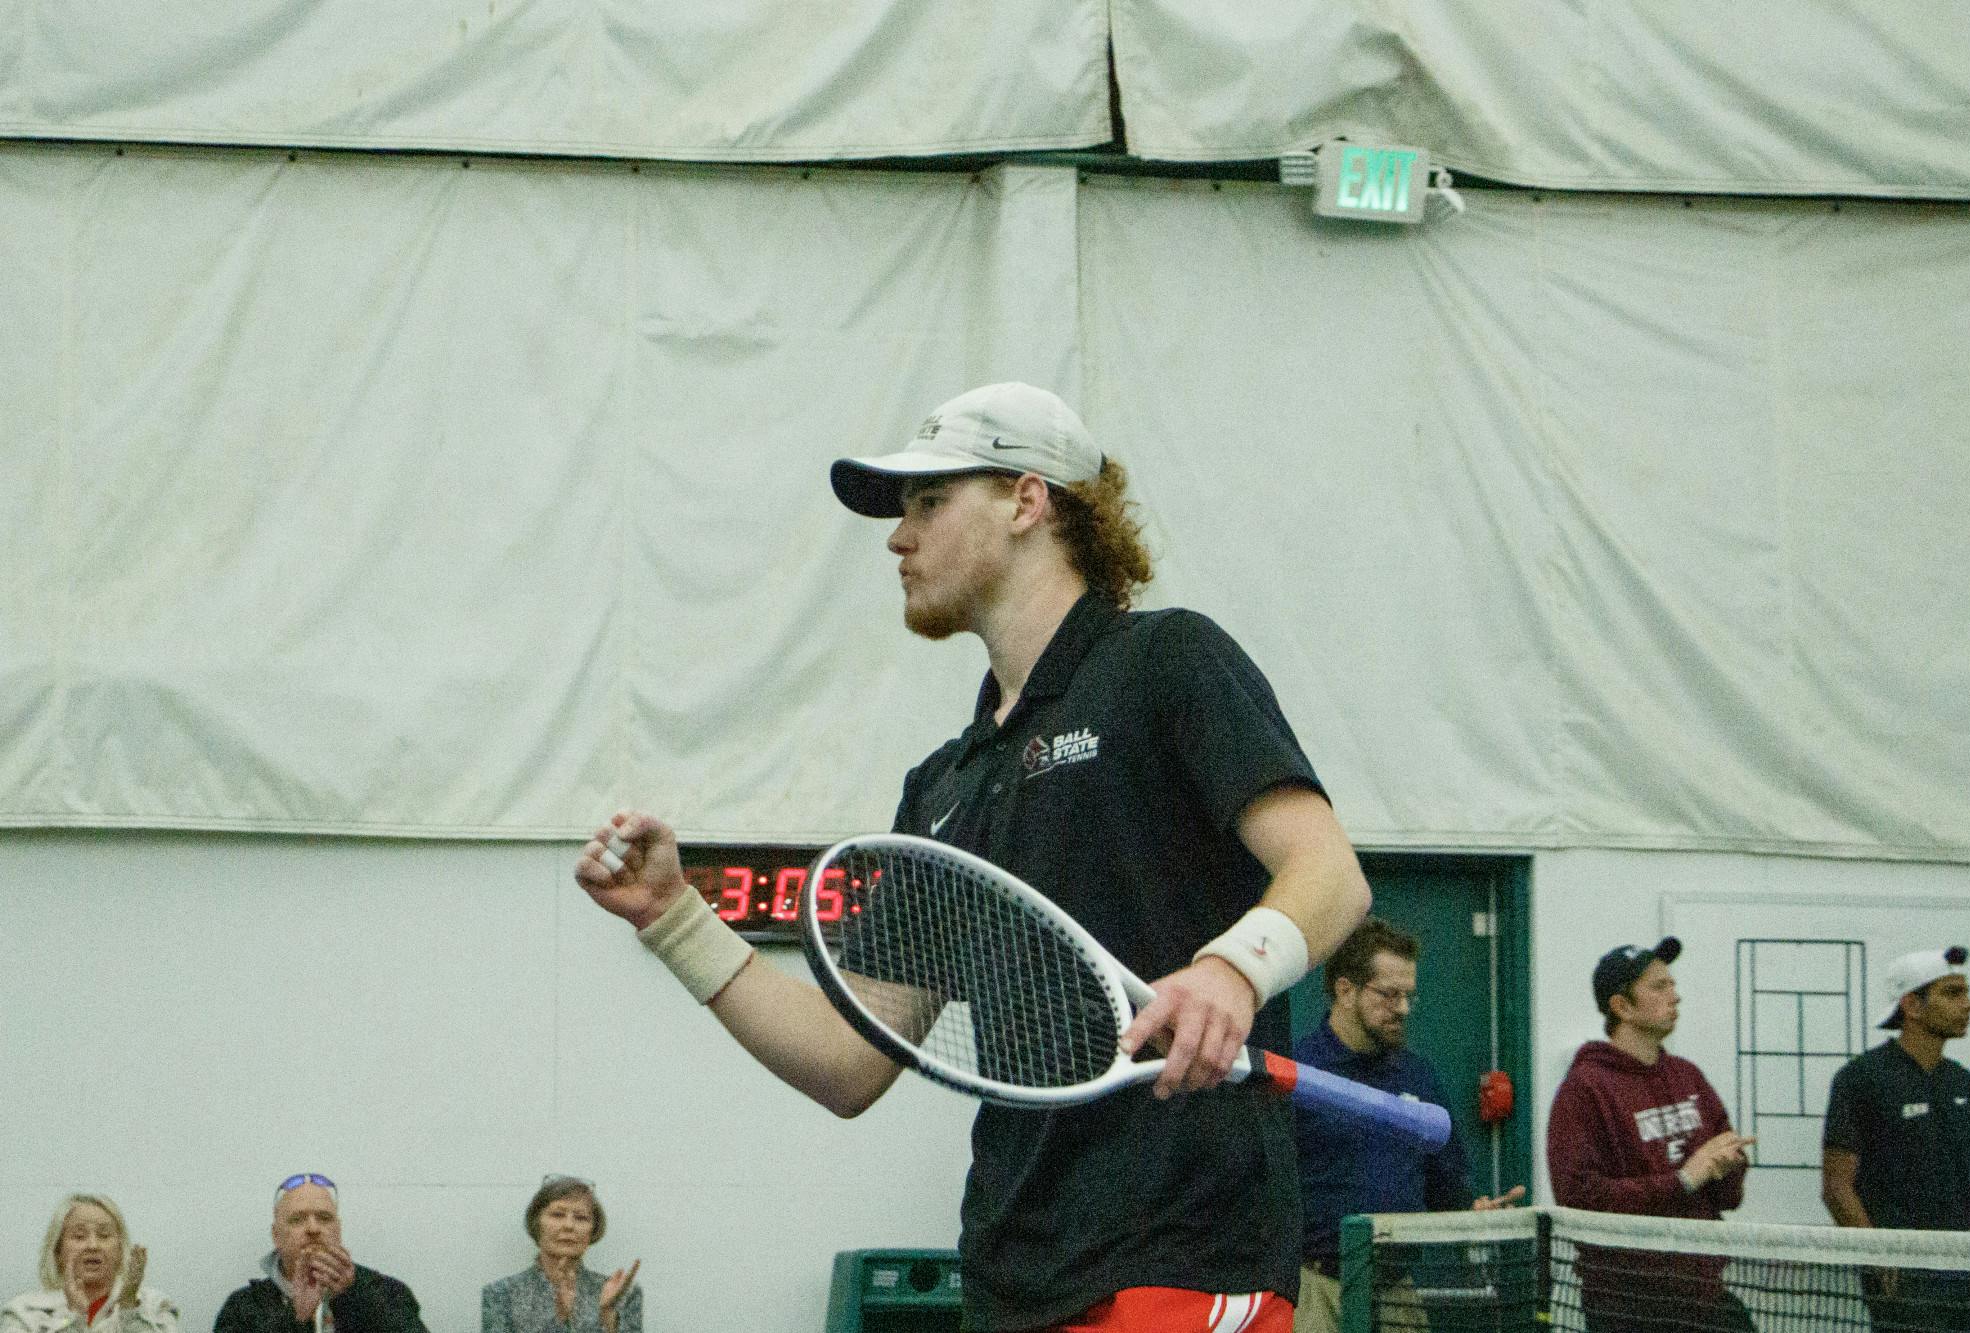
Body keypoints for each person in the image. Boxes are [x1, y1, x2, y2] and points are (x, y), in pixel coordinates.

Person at [574, 382, 1373, 1332]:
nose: (896, 538)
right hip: (1009, 1282)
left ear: (1027, 502)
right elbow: (846, 1061)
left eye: (930, 502)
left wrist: (1230, 973)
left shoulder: (1169, 663)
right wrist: (674, 919)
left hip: (1181, 1259)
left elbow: (1330, 874)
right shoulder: (943, 786)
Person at [1291, 918, 1522, 1333]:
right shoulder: (1298, 1075)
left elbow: (1446, 1184)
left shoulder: (1419, 1077)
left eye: (1408, 996)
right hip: (1314, 1292)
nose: (1402, 1008)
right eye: (1389, 994)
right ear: (1345, 990)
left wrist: (1472, 1212)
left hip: (1397, 1294)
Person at [1545, 938, 1755, 1333]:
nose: (1676, 996)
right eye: (1659, 987)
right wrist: (1683, 1180)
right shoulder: (1584, 1088)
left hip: (1704, 1292)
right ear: (1621, 1007)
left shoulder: (1687, 1075)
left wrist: (1728, 1165)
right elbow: (1578, 1198)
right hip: (1629, 1307)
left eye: (1672, 984)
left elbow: (1729, 1194)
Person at [1822, 946, 1970, 1332]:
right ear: (1912, 1006)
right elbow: (1837, 1188)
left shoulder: (1961, 1080)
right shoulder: (1860, 1078)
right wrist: (1879, 1256)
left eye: (1965, 992)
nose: (1968, 1005)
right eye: (1952, 993)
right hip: (1909, 1276)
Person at [213, 1175, 426, 1333]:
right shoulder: (243, 1307)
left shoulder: (387, 1292)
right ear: (276, 1236)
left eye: (324, 1218)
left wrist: (351, 1298)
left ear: (338, 1230)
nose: (313, 1229)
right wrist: (296, 1318)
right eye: (297, 1219)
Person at [481, 1177, 641, 1333]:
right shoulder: (500, 1293)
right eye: (557, 1215)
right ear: (536, 1223)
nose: (569, 1226)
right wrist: (559, 1319)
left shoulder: (623, 1294)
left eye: (580, 1217)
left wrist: (607, 1320)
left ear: (593, 1230)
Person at [0, 1195, 178, 1333]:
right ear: (57, 1251)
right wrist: (73, 1319)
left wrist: (129, 1312)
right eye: (79, 1236)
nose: (93, 1245)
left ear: (121, 1249)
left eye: (104, 1235)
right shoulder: (22, 1314)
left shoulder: (155, 1307)